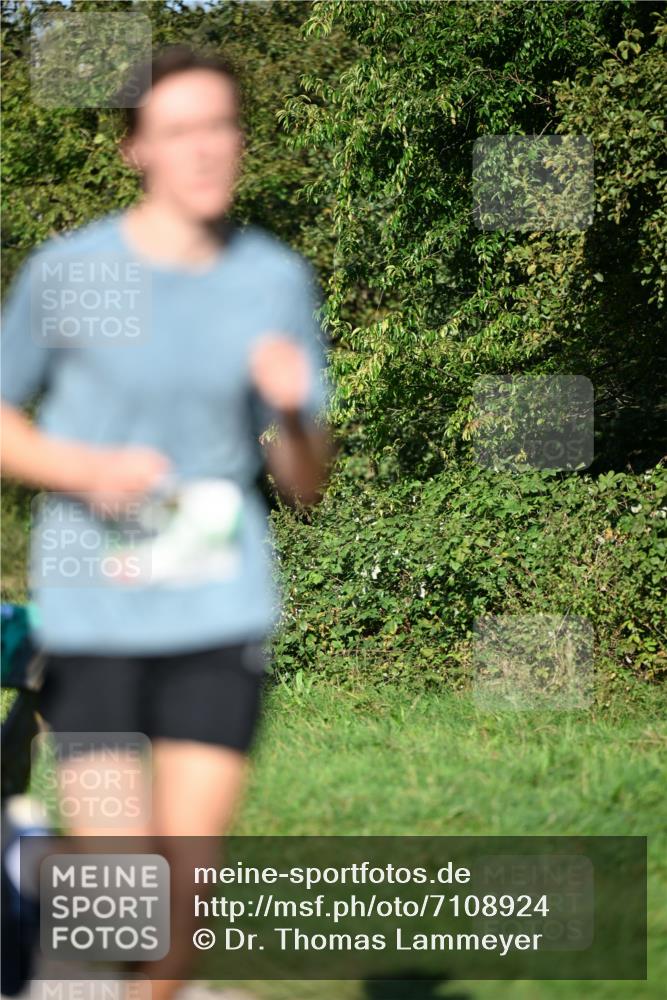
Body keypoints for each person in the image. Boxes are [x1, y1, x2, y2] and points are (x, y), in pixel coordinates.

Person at [0, 44, 334, 1000]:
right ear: (134, 149)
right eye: (178, 131)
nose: (204, 150)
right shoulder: (69, 273)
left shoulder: (272, 280)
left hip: (216, 607)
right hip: (94, 609)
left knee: (188, 884)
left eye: (220, 127)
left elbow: (307, 483)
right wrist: (85, 467)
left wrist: (298, 411)